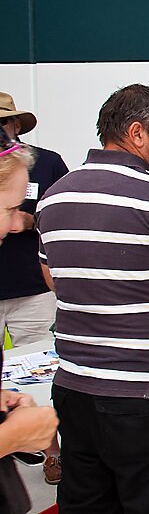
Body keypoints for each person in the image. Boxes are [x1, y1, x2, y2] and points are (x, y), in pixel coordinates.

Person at [37, 84, 149, 513]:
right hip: (146, 391)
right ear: (137, 133)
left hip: (74, 388)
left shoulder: (55, 195)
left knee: (89, 502)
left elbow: (54, 280)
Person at [0, 93, 68, 485]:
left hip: (31, 290)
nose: (13, 224)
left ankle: (52, 452)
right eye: (6, 210)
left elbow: (62, 217)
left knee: (43, 376)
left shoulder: (48, 163)